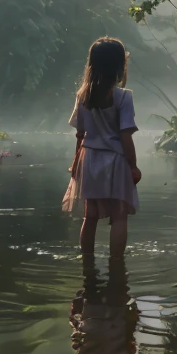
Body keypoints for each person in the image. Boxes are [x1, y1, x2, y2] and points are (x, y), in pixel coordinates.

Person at [62, 36, 141, 257]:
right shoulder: (124, 98)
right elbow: (126, 137)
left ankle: (87, 264)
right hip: (115, 161)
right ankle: (117, 266)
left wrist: (75, 163)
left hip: (89, 160)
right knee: (119, 216)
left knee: (90, 216)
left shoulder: (83, 96)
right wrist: (133, 166)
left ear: (92, 65)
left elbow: (80, 134)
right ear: (119, 66)